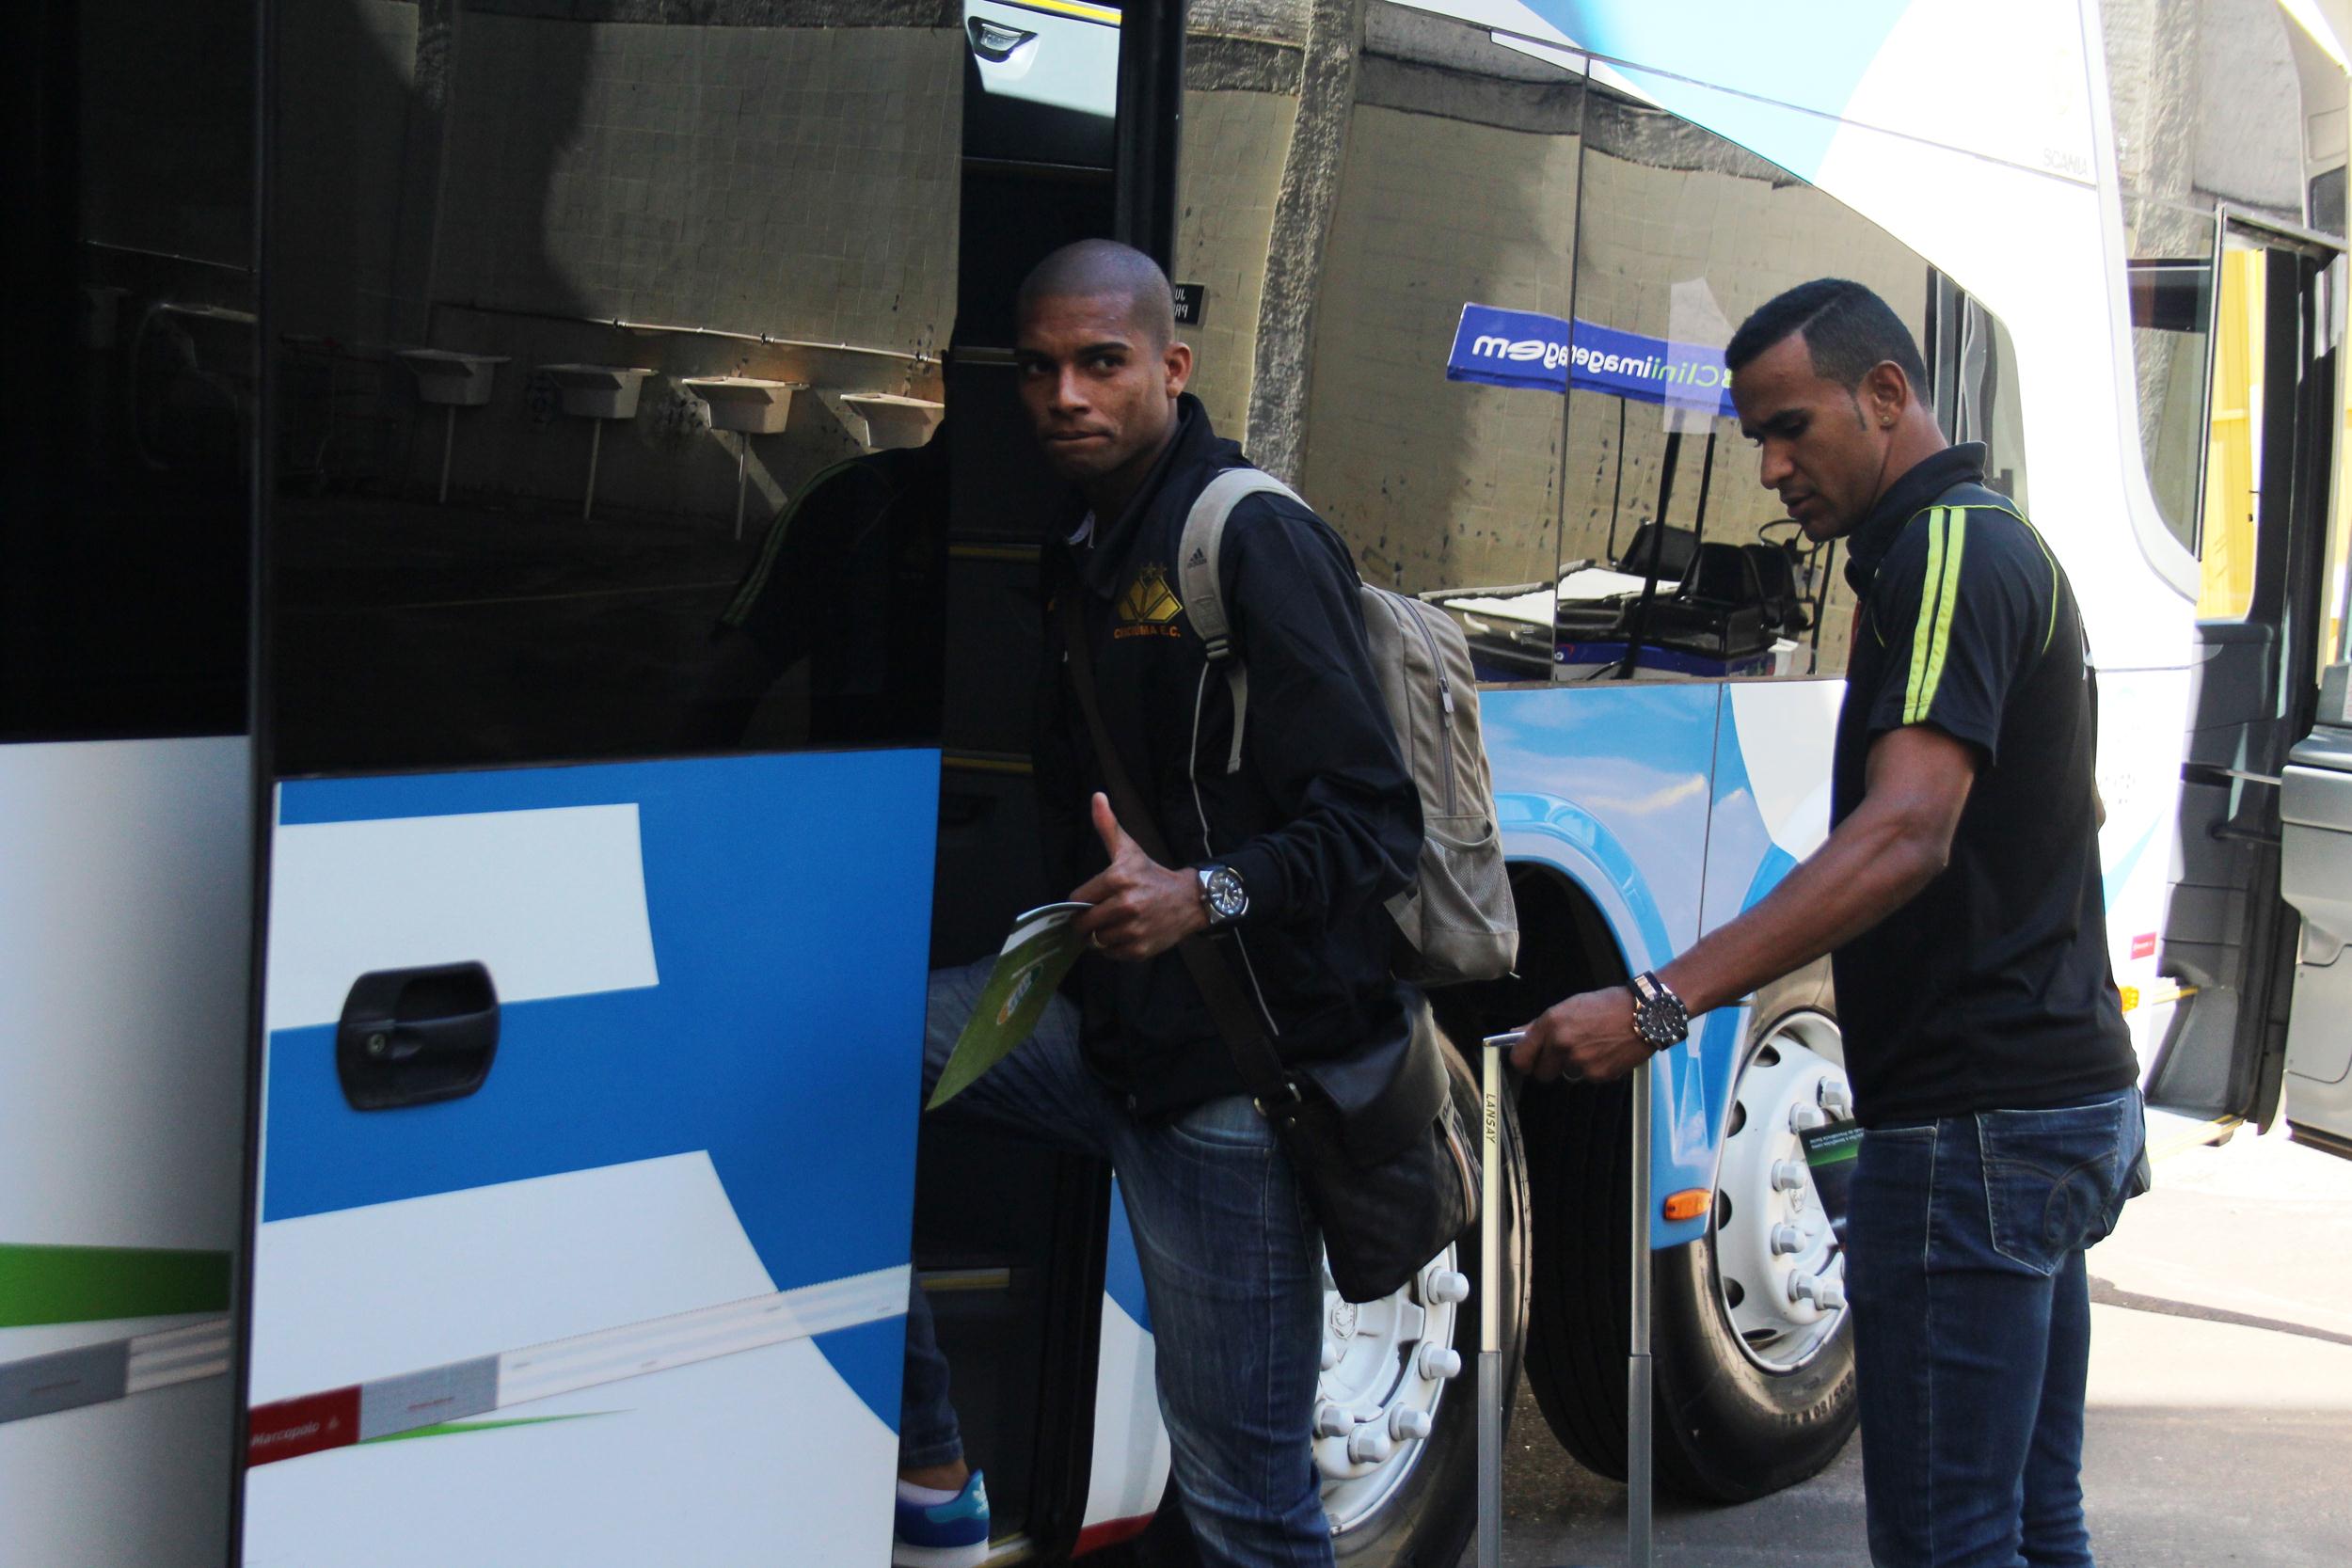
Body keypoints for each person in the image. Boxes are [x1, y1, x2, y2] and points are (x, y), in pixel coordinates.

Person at [1509, 278, 2146, 1568]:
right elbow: (2032, 813)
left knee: (1948, 1541)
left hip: (1977, 1127)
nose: (1772, 468)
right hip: (2042, 1108)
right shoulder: (1979, 546)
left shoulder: (1948, 556)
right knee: (2034, 1522)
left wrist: (1656, 1006)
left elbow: (1908, 833)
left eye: (1792, 427)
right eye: (1756, 439)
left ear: (1888, 393)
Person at [891, 240, 1421, 1568]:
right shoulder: (1085, 539)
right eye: (1038, 369)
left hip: (1230, 1085)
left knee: (1244, 1505)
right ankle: (930, 1467)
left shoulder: (1249, 536)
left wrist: (1202, 896)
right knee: (850, 1055)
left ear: (1173, 368)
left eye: (1100, 363)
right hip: (1111, 1038)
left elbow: (1376, 826)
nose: (1065, 395)